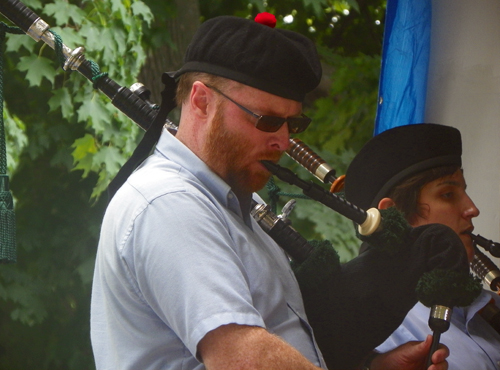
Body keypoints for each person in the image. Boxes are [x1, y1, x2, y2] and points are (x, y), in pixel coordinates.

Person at [90, 14, 450, 370]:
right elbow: (245, 358)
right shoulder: (169, 203)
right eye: (267, 120)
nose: (283, 141)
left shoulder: (238, 203)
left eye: (293, 124)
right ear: (201, 101)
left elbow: (282, 334)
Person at [344, 123, 500, 370]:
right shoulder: (376, 336)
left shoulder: (485, 304)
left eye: (464, 192)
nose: (472, 209)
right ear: (392, 215)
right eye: (448, 194)